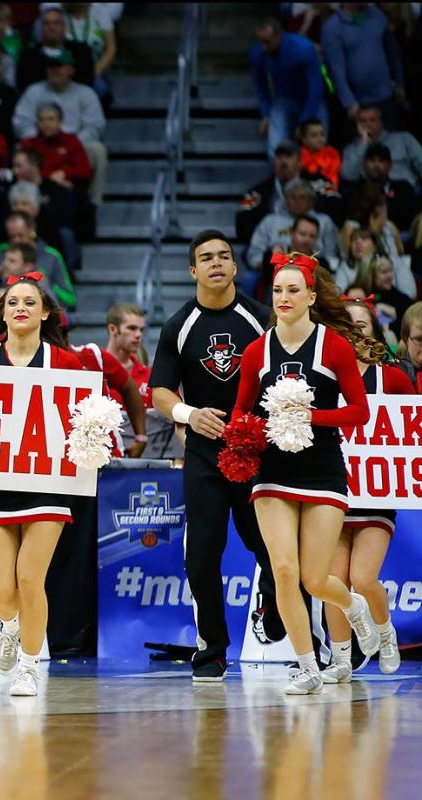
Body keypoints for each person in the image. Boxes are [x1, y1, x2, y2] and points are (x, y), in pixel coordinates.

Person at [230, 252, 378, 694]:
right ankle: (306, 665)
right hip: (272, 471)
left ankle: (352, 606)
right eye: (277, 290)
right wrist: (244, 433)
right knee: (284, 571)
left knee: (316, 578)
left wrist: (310, 416)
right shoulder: (257, 350)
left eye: (294, 290)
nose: (284, 297)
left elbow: (359, 412)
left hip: (321, 469)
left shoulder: (333, 346)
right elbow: (241, 408)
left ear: (312, 296)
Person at [149, 229, 286, 681]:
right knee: (201, 556)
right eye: (206, 258)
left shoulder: (261, 318)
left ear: (233, 265)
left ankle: (272, 601)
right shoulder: (178, 325)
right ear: (193, 270)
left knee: (269, 547)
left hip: (259, 452)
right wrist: (188, 414)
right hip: (206, 455)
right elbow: (160, 392)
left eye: (224, 256)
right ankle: (212, 649)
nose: (216, 263)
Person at [0, 273, 83, 696]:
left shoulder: (67, 364)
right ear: (3, 311)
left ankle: (31, 668)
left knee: (31, 578)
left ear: (46, 312)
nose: (21, 308)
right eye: (13, 302)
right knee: (1, 588)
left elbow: (90, 418)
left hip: (47, 484)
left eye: (30, 302)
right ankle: (9, 628)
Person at [320, 296, 409, 683]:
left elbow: (413, 426)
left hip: (375, 495)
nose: (354, 332)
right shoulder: (322, 374)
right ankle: (340, 659)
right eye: (347, 325)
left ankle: (386, 633)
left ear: (373, 331)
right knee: (331, 582)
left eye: (362, 325)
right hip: (333, 492)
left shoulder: (390, 377)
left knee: (364, 578)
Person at [13, 49, 108, 206]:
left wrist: (70, 144)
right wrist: (37, 138)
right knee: (21, 153)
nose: (54, 70)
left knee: (98, 149)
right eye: (51, 67)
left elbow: (95, 126)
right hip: (38, 147)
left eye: (59, 66)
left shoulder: (86, 93)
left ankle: (93, 204)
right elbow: (20, 122)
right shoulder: (33, 92)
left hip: (76, 143)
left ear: (70, 70)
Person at [250, 18, 326, 160]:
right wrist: (266, 113)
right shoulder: (257, 53)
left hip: (310, 99)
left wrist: (305, 121)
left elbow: (315, 88)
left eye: (267, 42)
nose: (264, 47)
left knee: (317, 144)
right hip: (284, 99)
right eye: (260, 41)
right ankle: (280, 179)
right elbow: (261, 86)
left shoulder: (303, 48)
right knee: (275, 147)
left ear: (279, 36)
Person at [321, 4, 404, 130]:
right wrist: (348, 102)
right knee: (362, 147)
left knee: (392, 142)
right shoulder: (333, 28)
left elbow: (393, 52)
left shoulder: (378, 16)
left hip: (386, 97)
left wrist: (399, 83)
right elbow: (335, 70)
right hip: (358, 103)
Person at [341, 142, 418, 234]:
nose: (376, 165)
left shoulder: (404, 188)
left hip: (398, 236)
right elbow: (350, 217)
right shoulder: (353, 190)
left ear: (389, 166)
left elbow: (410, 217)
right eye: (372, 160)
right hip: (362, 237)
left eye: (381, 161)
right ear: (364, 165)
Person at [15, 7, 95, 90]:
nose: (51, 27)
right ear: (41, 28)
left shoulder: (81, 52)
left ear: (64, 27)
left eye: (56, 23)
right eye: (46, 23)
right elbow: (22, 85)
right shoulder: (28, 55)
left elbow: (87, 82)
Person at [338, 105, 422, 185]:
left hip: (406, 190)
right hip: (371, 195)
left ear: (381, 121)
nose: (368, 124)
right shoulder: (352, 147)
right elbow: (348, 176)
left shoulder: (403, 138)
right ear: (357, 125)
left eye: (372, 120)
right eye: (363, 121)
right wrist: (363, 143)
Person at [63, 2, 118, 99]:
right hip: (65, 70)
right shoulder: (58, 15)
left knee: (102, 90)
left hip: (95, 70)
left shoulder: (100, 12)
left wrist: (94, 71)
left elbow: (111, 48)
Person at [105, 303, 151, 405]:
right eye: (132, 328)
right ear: (113, 329)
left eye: (141, 330)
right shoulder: (96, 370)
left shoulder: (150, 377)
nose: (138, 335)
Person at [300, 118, 340, 187]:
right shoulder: (297, 155)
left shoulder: (332, 154)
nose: (320, 139)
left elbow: (331, 184)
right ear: (304, 139)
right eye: (314, 135)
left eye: (322, 134)